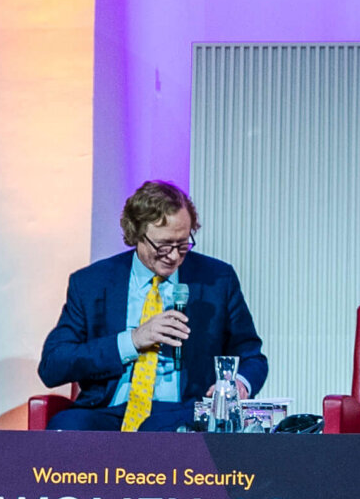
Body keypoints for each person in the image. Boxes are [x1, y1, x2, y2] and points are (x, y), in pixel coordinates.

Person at [38, 181, 266, 431]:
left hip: (183, 410)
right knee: (66, 428)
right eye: (164, 246)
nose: (174, 256)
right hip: (109, 409)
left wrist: (240, 384)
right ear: (136, 234)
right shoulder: (92, 283)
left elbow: (251, 356)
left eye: (182, 244)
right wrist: (133, 340)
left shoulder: (217, 279)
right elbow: (53, 365)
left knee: (157, 429)